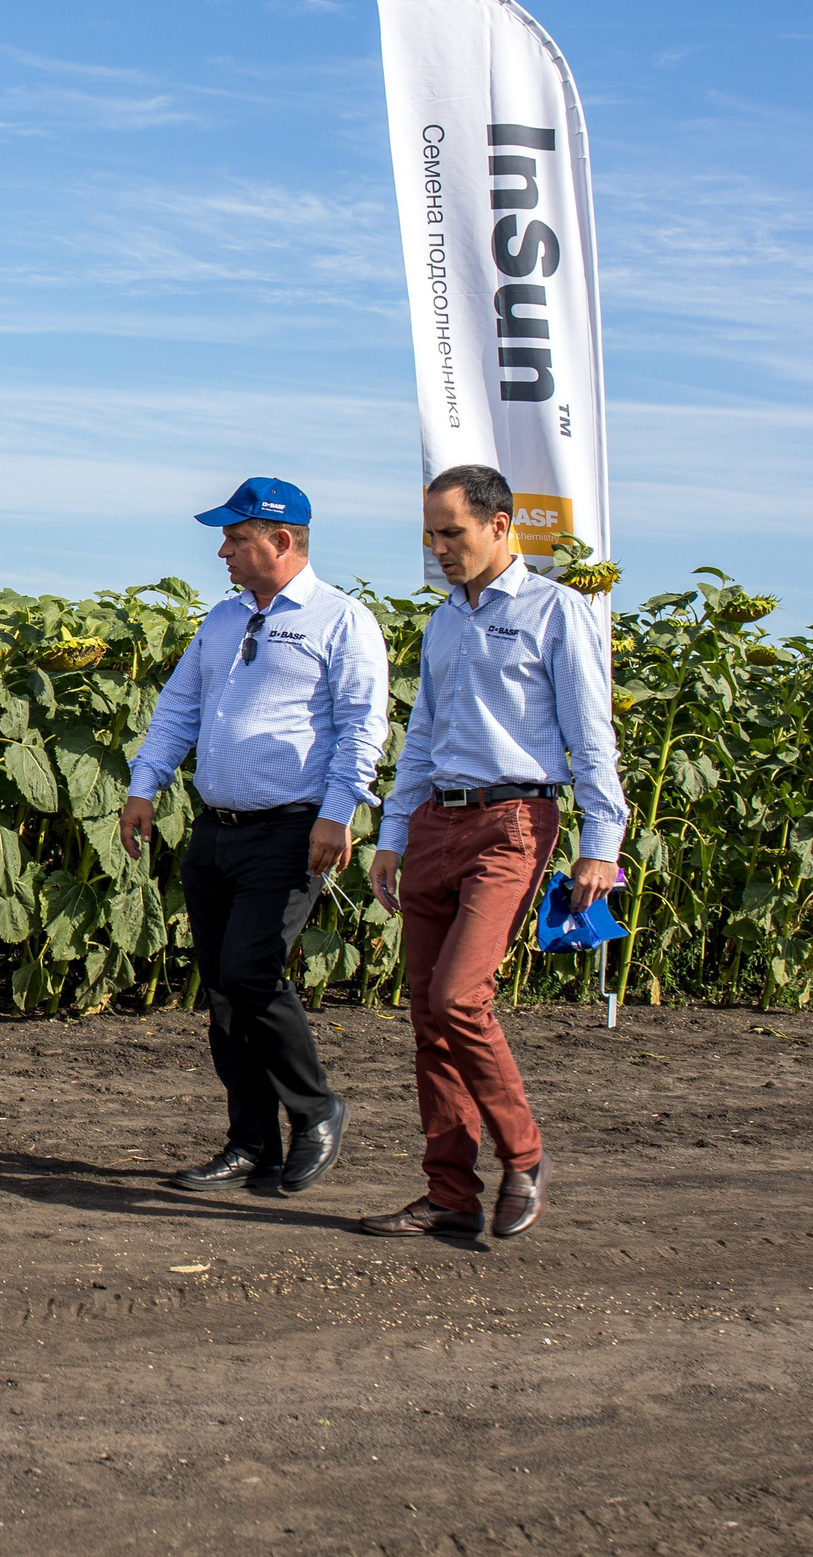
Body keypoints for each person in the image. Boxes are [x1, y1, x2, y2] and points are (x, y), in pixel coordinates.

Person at [363, 464, 626, 1241]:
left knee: (458, 998)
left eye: (453, 532)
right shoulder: (444, 621)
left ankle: (526, 1154)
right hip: (437, 823)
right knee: (426, 1016)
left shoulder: (557, 611)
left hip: (514, 822)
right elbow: (422, 743)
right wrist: (394, 834)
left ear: (501, 525)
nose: (440, 547)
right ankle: (450, 1194)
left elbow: (591, 735)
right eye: (432, 534)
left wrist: (599, 844)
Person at [121, 477, 391, 1196]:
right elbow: (179, 707)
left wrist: (340, 811)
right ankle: (251, 1142)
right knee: (224, 991)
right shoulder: (221, 620)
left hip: (294, 828)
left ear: (281, 540)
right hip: (217, 829)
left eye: (236, 538)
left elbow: (363, 725)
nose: (223, 550)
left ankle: (317, 1108)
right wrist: (143, 785)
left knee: (251, 970)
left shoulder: (342, 621)